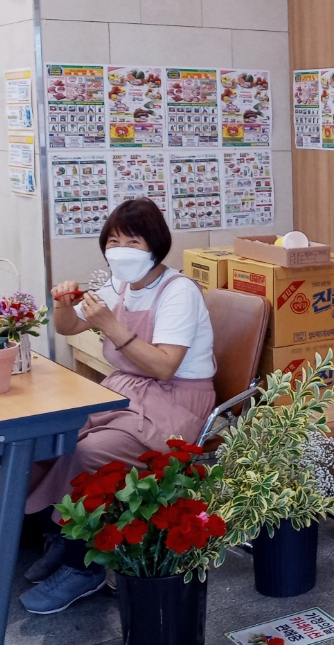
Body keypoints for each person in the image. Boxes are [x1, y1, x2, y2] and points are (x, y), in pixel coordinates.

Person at [20, 198, 216, 614]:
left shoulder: (178, 292)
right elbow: (70, 326)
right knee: (58, 431)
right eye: (113, 241)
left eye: (132, 241)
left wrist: (111, 325)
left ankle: (84, 568)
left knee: (89, 453)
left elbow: (164, 366)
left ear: (154, 245)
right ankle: (64, 538)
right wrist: (63, 304)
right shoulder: (120, 285)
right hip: (127, 390)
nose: (121, 249)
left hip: (174, 402)